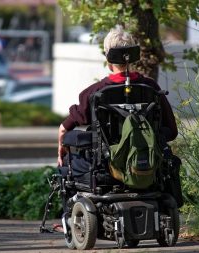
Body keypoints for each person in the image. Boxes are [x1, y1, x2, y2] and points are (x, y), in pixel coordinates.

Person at [57, 26, 178, 166]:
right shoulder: (151, 88)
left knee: (67, 163)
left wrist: (62, 149)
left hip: (105, 167)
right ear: (133, 57)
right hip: (147, 165)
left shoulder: (94, 92)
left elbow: (63, 129)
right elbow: (172, 131)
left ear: (108, 58)